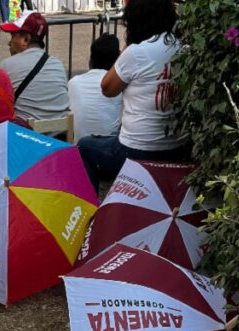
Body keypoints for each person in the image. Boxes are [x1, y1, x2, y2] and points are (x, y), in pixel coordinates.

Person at [77, 0, 187, 190]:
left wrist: (128, 47)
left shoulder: (137, 52)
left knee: (83, 146)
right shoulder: (184, 49)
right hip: (177, 146)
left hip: (135, 149)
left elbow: (107, 88)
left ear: (135, 21)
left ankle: (94, 208)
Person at [0, 11, 70, 123]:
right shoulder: (57, 64)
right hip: (60, 136)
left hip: (26, 137)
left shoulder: (6, 65)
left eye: (13, 36)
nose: (9, 43)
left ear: (26, 39)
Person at [68, 34, 123, 140]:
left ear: (90, 60)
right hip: (109, 149)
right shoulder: (119, 87)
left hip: (77, 149)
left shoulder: (73, 83)